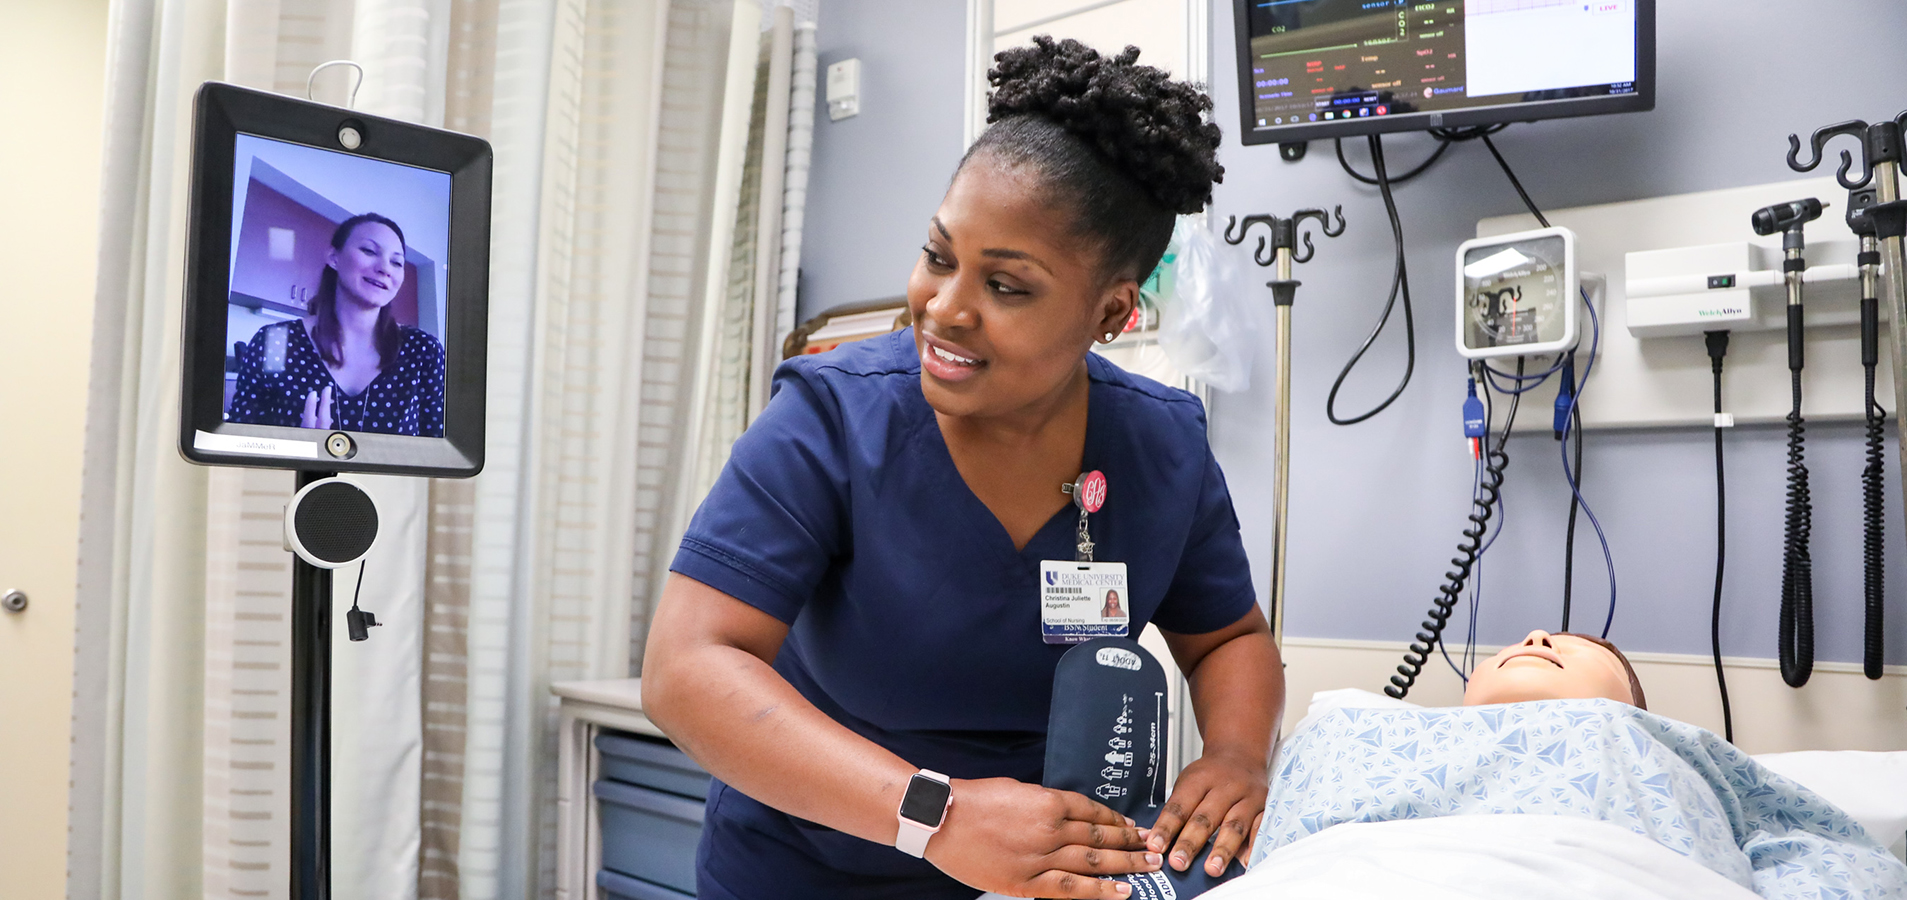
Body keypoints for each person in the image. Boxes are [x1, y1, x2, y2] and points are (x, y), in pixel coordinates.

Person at [641, 37, 1283, 900]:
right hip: (809, 869)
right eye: (939, 256)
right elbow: (687, 668)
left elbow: (1229, 638)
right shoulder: (833, 417)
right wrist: (935, 816)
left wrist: (1235, 756)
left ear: (1111, 313)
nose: (943, 310)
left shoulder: (1160, 445)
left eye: (1006, 287)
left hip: (1041, 878)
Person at [1239, 630, 1907, 899]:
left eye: (1568, 643)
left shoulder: (1666, 748)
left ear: (1631, 706)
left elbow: (1827, 856)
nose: (1533, 638)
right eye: (1522, 639)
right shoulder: (1347, 733)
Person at [227, 212, 446, 437]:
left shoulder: (423, 350)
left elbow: (439, 453)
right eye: (369, 251)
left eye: (397, 262)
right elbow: (240, 443)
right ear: (334, 257)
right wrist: (292, 451)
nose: (385, 268)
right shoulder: (274, 341)